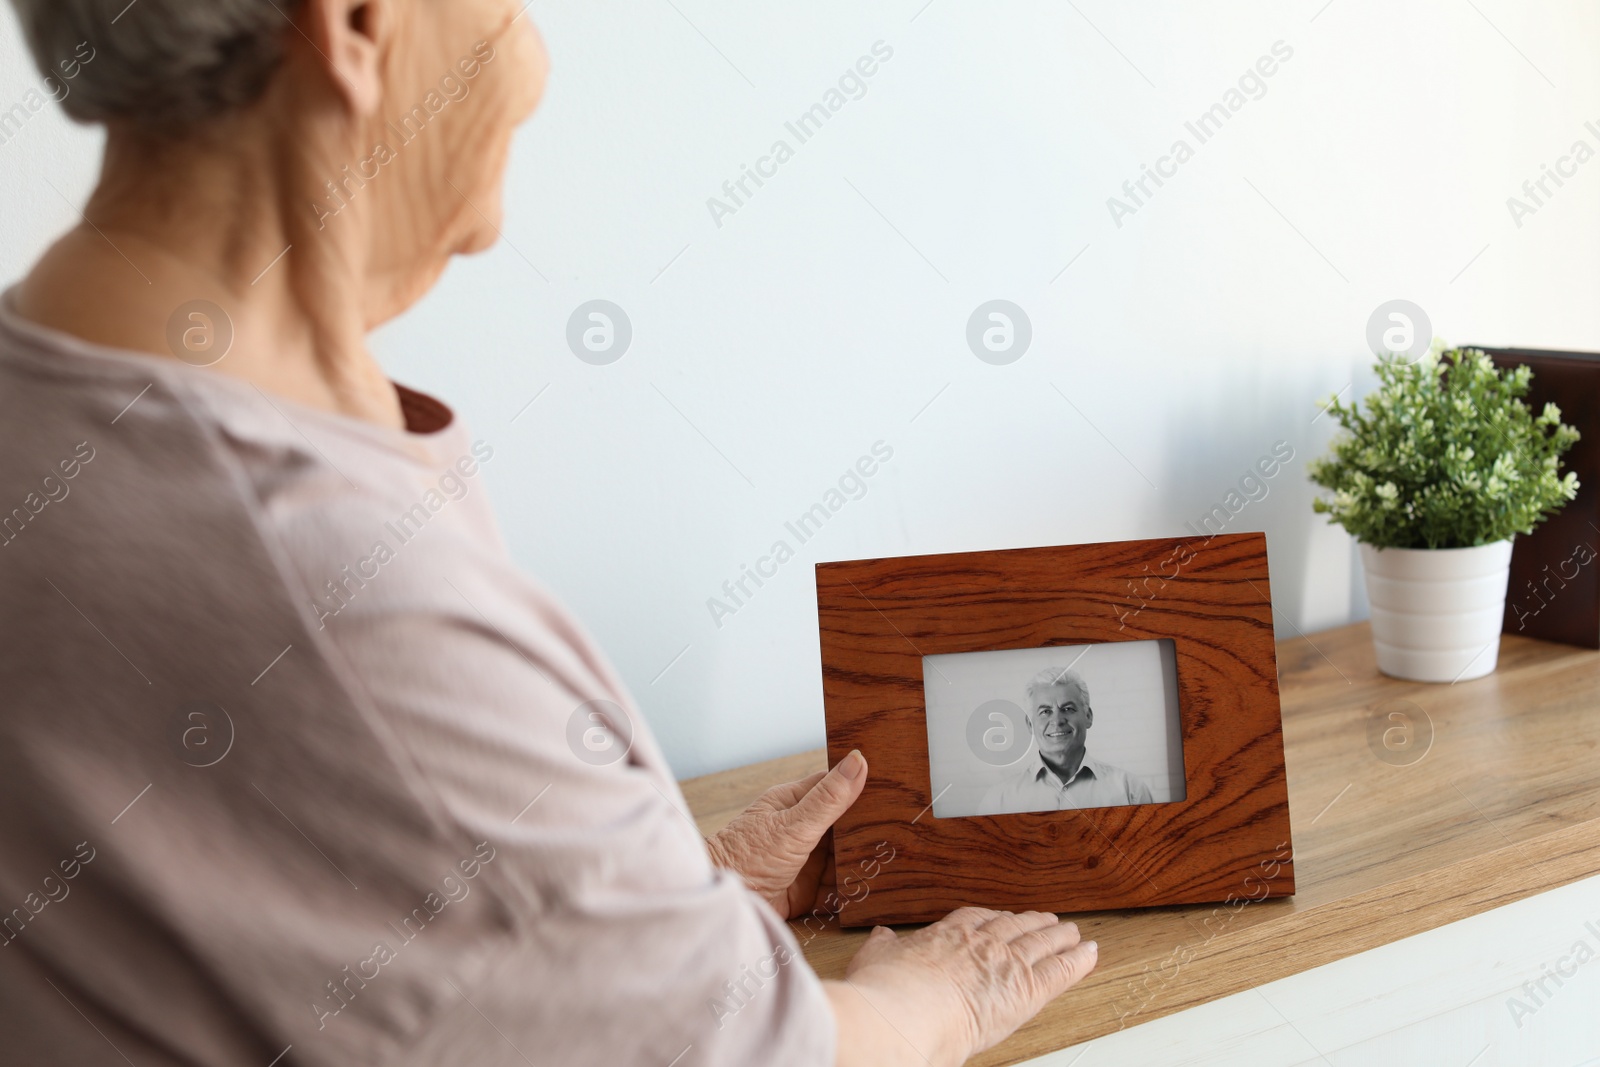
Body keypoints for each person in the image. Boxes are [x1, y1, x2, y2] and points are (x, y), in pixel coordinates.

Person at [0, 1, 1098, 1065]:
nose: (531, 62)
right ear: (354, 27)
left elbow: (254, 879)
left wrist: (620, 916)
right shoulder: (333, 587)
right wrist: (931, 1002)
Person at [978, 668, 1155, 815]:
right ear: (1030, 724)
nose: (1057, 721)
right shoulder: (998, 800)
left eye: (1068, 709)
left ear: (1088, 716)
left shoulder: (1130, 790)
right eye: (1045, 712)